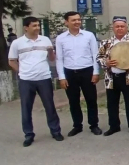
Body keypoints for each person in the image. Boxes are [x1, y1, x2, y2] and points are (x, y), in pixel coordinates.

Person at [8, 17, 63, 147]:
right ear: (26, 28)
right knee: (26, 108)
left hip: (44, 78)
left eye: (38, 25)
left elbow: (51, 59)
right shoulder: (17, 43)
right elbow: (11, 61)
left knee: (50, 106)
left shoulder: (45, 40)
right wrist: (21, 72)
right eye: (34, 25)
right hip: (26, 81)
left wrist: (51, 51)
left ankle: (55, 131)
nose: (37, 28)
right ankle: (28, 135)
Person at [55, 11, 102, 137]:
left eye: (78, 19)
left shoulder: (89, 35)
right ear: (66, 22)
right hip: (69, 73)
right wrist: (62, 77)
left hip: (87, 71)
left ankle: (94, 125)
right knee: (73, 101)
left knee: (91, 100)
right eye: (73, 20)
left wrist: (96, 72)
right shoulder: (61, 38)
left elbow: (95, 55)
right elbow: (59, 59)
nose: (77, 22)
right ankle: (77, 126)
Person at [97, 16, 129, 136]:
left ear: (126, 27)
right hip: (111, 78)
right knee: (112, 103)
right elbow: (99, 57)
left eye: (122, 26)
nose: (120, 28)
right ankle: (114, 126)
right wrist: (106, 63)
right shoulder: (106, 42)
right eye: (117, 26)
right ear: (113, 28)